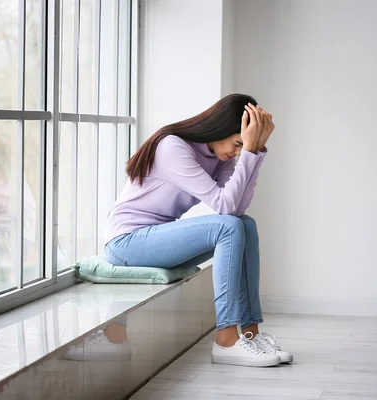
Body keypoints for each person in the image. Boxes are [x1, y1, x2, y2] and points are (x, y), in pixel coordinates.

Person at [102, 93, 292, 367]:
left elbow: (236, 209)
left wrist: (255, 152)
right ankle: (226, 340)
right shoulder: (173, 147)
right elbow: (224, 209)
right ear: (220, 127)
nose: (237, 153)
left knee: (246, 225)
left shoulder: (220, 157)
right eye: (238, 144)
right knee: (228, 227)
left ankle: (250, 334)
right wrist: (251, 152)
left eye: (242, 148)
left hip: (157, 239)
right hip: (126, 244)